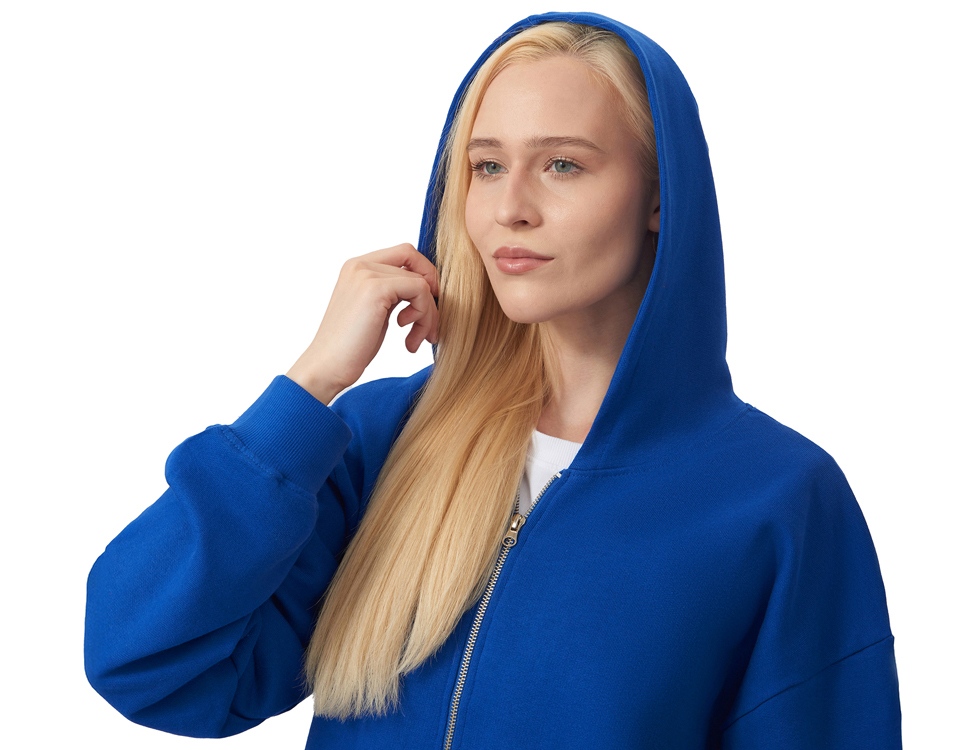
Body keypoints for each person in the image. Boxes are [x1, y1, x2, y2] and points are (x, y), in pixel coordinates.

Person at [84, 11, 902, 748]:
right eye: (485, 166)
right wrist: (308, 389)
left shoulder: (777, 498)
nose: (511, 207)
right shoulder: (379, 442)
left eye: (563, 165)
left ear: (660, 196)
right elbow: (147, 663)